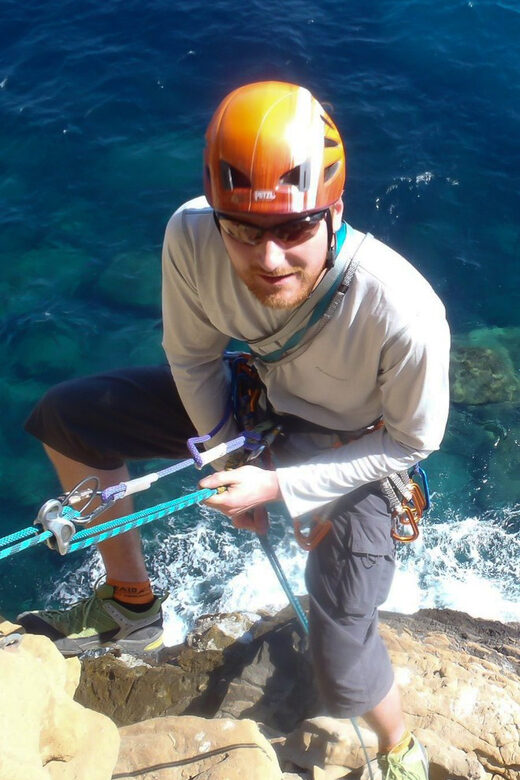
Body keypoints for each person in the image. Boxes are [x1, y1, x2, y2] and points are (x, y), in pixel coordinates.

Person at [18, 81, 449, 779]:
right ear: (218, 216)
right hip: (255, 404)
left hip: (354, 443)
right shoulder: (191, 236)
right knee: (69, 419)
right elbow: (192, 359)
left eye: (295, 229)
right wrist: (227, 458)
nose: (269, 258)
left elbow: (410, 441)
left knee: (341, 646)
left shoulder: (403, 313)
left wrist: (278, 487)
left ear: (335, 212)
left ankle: (400, 747)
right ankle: (131, 605)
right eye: (244, 229)